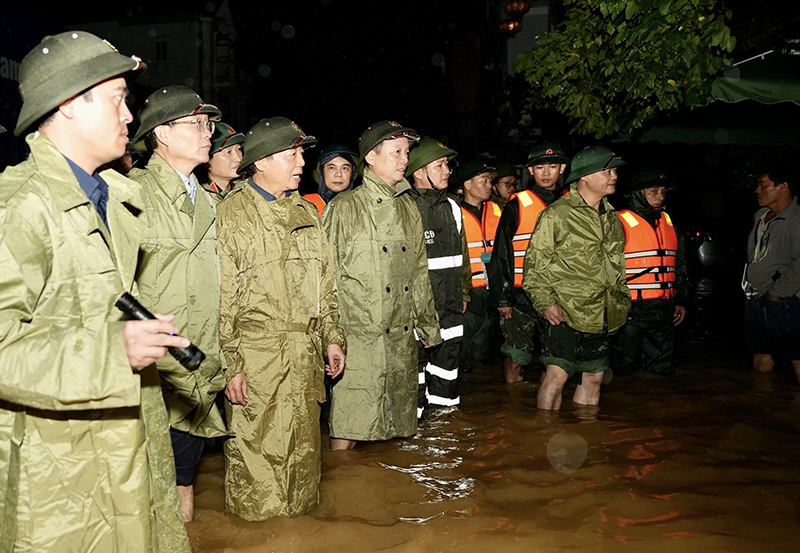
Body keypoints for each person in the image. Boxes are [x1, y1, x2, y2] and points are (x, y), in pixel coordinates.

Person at [0, 31, 190, 552]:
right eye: (117, 100)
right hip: (60, 476)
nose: (130, 116)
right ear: (68, 105)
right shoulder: (19, 207)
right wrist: (111, 351)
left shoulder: (113, 200)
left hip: (131, 448)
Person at [219, 117, 346, 520]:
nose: (300, 162)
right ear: (260, 162)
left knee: (304, 464)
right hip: (257, 360)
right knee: (256, 467)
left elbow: (326, 282)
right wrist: (230, 365)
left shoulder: (308, 212)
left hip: (304, 359)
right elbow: (223, 300)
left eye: (301, 153)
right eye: (291, 154)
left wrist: (332, 337)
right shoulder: (231, 216)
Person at [129, 85, 228, 522]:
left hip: (196, 369)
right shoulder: (131, 194)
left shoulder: (206, 201)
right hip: (149, 374)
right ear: (163, 134)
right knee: (143, 496)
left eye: (209, 124)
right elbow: (112, 288)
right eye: (198, 124)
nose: (210, 133)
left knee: (185, 481)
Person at [322, 120, 442, 450]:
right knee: (348, 424)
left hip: (400, 340)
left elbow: (419, 273)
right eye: (396, 152)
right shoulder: (344, 208)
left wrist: (429, 326)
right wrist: (330, 338)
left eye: (406, 152)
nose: (404, 159)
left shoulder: (409, 208)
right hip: (359, 340)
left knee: (396, 429)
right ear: (371, 158)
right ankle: (343, 491)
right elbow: (325, 278)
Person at [523, 146, 630, 410]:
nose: (614, 176)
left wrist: (621, 302)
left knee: (594, 378)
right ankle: (543, 435)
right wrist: (545, 303)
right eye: (607, 171)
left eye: (614, 170)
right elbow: (534, 266)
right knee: (557, 376)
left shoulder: (612, 218)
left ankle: (586, 437)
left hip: (602, 313)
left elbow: (618, 267)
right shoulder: (556, 215)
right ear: (584, 177)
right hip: (565, 312)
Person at [488, 142, 569, 384]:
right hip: (521, 295)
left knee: (557, 358)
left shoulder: (572, 203)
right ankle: (512, 407)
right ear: (530, 171)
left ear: (562, 168)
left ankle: (546, 415)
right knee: (516, 355)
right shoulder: (517, 204)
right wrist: (504, 298)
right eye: (540, 167)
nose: (546, 173)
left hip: (562, 294)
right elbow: (502, 252)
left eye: (552, 166)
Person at [407, 138, 471, 416]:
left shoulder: (454, 207)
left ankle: (444, 442)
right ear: (419, 171)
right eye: (440, 165)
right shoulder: (404, 208)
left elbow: (463, 258)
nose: (448, 170)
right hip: (414, 316)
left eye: (447, 164)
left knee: (447, 385)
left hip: (451, 311)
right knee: (413, 386)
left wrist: (465, 293)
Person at [612, 168, 688, 375]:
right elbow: (606, 269)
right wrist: (617, 306)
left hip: (664, 309)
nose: (660, 197)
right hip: (631, 311)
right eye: (654, 191)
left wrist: (680, 300)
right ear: (638, 193)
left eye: (663, 191)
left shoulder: (668, 223)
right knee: (623, 371)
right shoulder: (617, 222)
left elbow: (678, 264)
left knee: (661, 371)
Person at [742, 164, 800, 383]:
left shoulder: (796, 220)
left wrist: (777, 292)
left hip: (786, 301)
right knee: (760, 358)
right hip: (757, 298)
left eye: (762, 185)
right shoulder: (761, 217)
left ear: (783, 187)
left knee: (797, 357)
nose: (757, 190)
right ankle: (763, 410)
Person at [458, 160, 502, 372]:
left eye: (490, 181)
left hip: (492, 296)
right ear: (467, 184)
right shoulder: (453, 213)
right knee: (462, 356)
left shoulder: (497, 210)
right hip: (467, 298)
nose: (489, 185)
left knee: (486, 361)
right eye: (483, 180)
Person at [304, 144, 358, 216]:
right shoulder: (306, 205)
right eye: (332, 168)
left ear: (352, 173)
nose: (338, 174)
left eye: (344, 168)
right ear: (322, 172)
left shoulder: (361, 206)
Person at [199, 121, 244, 198]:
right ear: (206, 161)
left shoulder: (245, 190)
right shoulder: (198, 196)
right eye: (228, 152)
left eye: (239, 149)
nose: (238, 158)